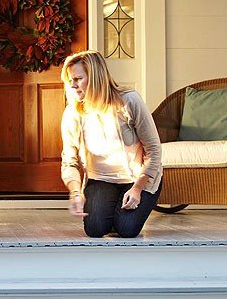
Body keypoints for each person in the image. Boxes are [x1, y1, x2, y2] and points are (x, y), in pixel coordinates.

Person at [60, 50, 162, 238]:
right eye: (70, 81)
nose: (73, 86)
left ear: (95, 77)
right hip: (101, 179)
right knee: (95, 228)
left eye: (78, 79)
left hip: (138, 178)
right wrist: (75, 192)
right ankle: (113, 210)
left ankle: (124, 212)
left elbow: (154, 150)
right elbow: (69, 160)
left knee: (127, 229)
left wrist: (138, 188)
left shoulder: (130, 101)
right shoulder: (73, 113)